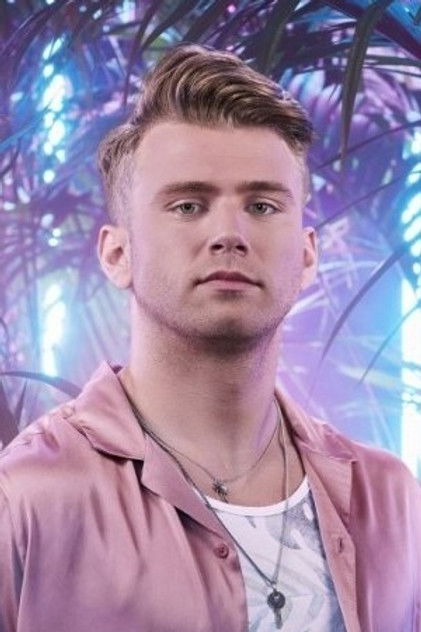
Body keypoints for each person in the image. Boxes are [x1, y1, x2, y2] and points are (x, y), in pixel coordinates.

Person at [0, 44, 419, 632]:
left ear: (306, 256)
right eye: (188, 205)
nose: (229, 233)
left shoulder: (391, 499)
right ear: (117, 254)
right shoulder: (25, 498)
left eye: (262, 205)